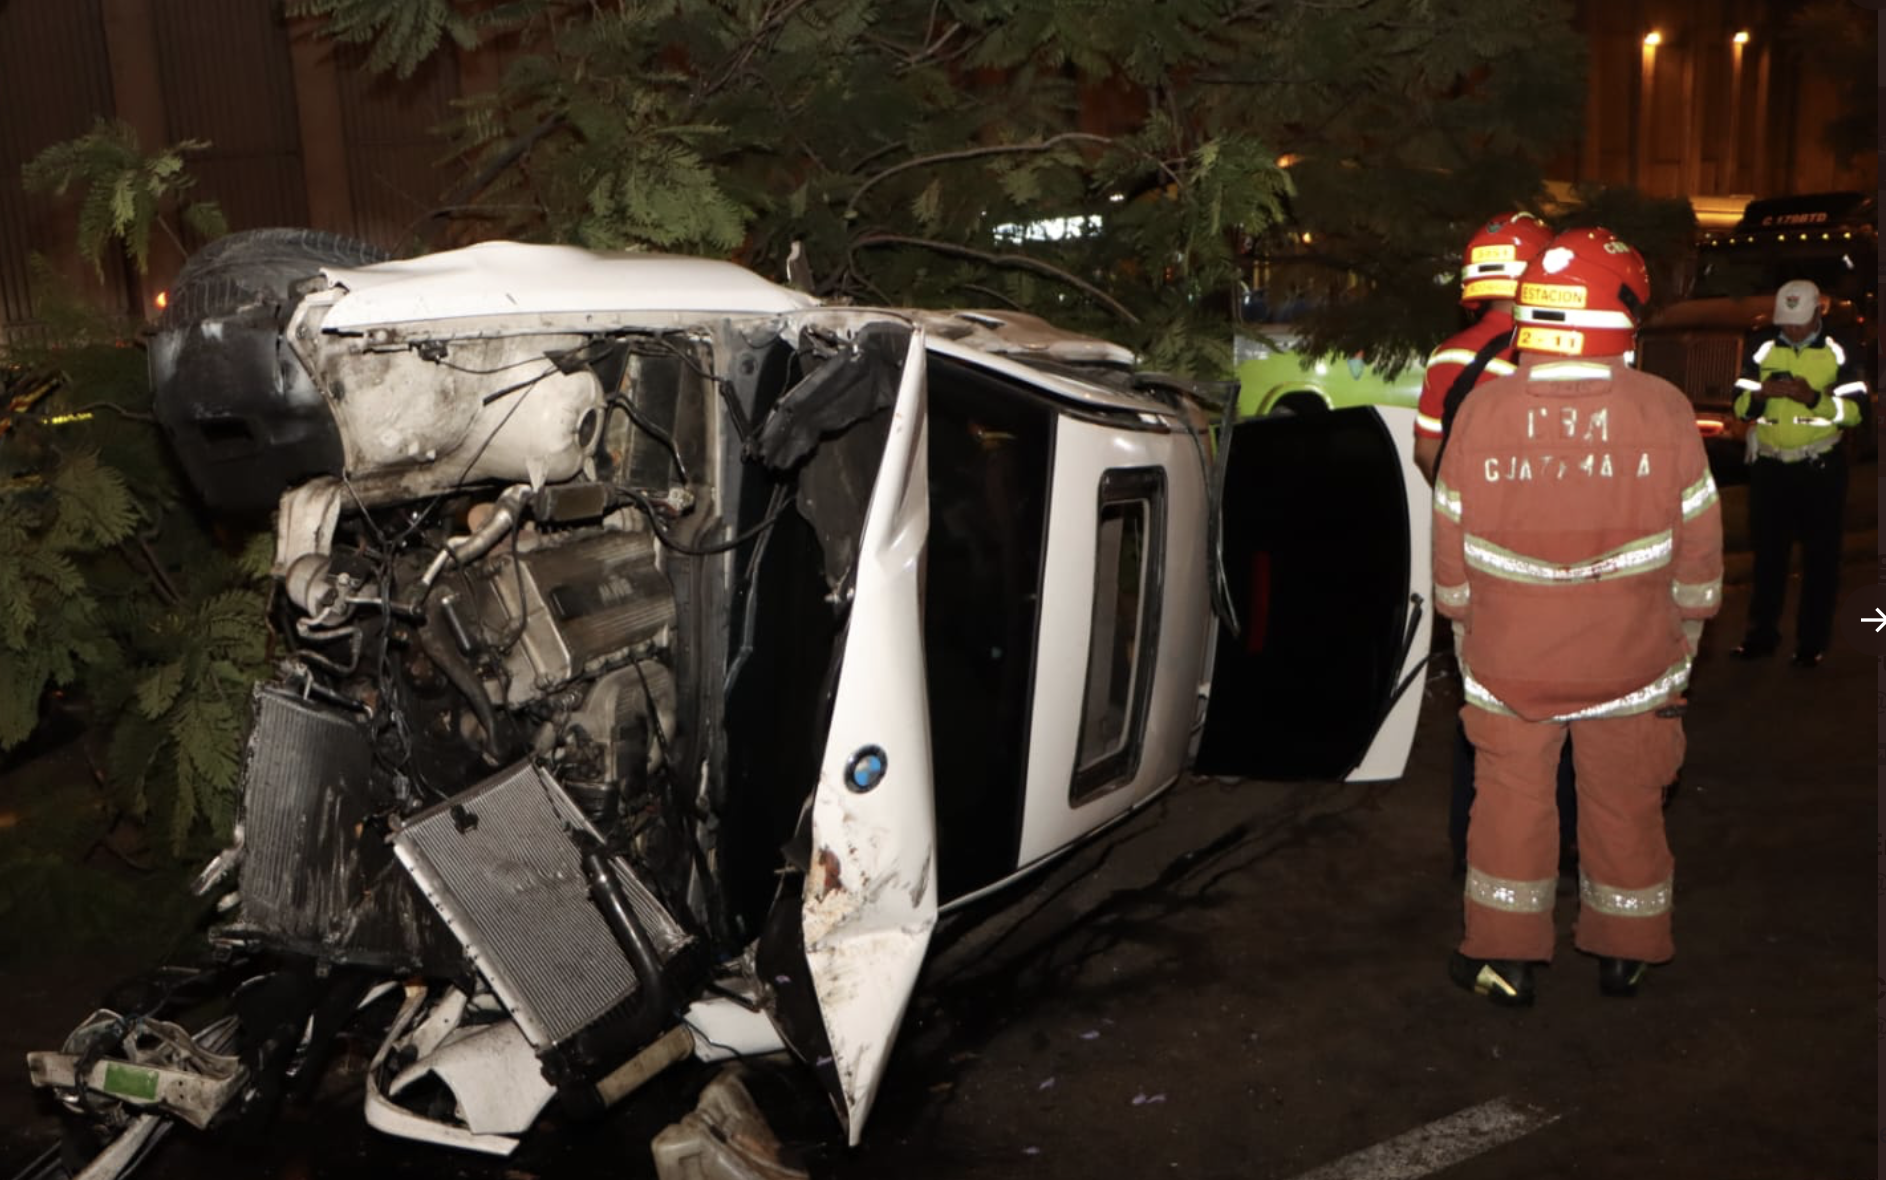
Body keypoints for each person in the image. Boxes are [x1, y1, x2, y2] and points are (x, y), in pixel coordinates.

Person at [1432, 227, 1723, 1006]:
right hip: (1631, 662)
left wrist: (1466, 630)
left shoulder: (1484, 410)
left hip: (1507, 662)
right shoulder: (1663, 409)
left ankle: (1503, 961)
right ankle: (1626, 950)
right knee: (1624, 802)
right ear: (1621, 311)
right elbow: (1699, 551)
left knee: (1511, 809)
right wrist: (1685, 639)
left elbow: (1450, 550)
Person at [1412, 211, 1573, 879]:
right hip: (1561, 560)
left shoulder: (1453, 355)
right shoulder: (1567, 352)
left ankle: (1474, 851)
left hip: (1480, 561)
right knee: (1566, 703)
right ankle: (1562, 852)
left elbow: (1429, 454)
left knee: (1485, 709)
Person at [1728, 279, 1867, 668]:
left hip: (1819, 466)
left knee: (1820, 560)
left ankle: (1811, 644)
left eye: (1799, 323)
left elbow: (1857, 412)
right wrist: (1758, 396)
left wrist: (1814, 399)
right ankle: (1760, 636)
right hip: (1771, 467)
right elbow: (1738, 406)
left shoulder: (1840, 350)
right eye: (1785, 322)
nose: (1790, 330)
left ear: (1817, 315)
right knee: (1768, 557)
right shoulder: (1762, 346)